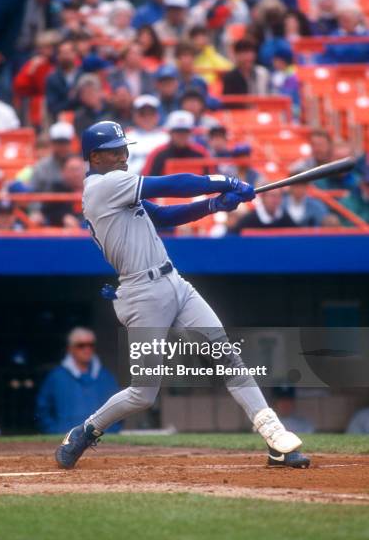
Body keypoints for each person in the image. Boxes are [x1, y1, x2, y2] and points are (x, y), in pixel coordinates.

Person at [55, 119, 309, 469]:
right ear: (95, 157)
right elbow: (172, 184)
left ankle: (276, 440)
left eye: (124, 150)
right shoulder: (102, 186)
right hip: (142, 294)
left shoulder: (119, 186)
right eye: (115, 151)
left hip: (174, 282)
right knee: (144, 393)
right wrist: (224, 181)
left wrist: (214, 206)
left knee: (226, 355)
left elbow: (163, 215)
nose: (123, 157)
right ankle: (87, 429)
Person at [37, 327, 121, 434]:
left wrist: (111, 431)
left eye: (91, 345)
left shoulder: (106, 376)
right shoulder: (56, 377)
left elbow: (119, 407)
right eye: (81, 345)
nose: (87, 349)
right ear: (70, 349)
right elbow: (42, 410)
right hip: (65, 441)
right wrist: (55, 432)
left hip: (102, 442)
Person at [143, 110, 210, 176]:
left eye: (185, 131)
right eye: (177, 131)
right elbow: (147, 179)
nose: (181, 135)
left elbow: (211, 177)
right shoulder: (157, 154)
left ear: (191, 132)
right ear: (170, 132)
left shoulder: (201, 153)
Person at [125, 95, 169, 174]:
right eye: (143, 114)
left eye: (151, 113)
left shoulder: (166, 137)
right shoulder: (127, 137)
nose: (147, 117)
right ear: (135, 116)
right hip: (135, 182)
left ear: (157, 116)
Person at [41, 155, 85, 228]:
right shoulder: (56, 190)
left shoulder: (94, 190)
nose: (76, 174)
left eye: (79, 170)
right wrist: (63, 217)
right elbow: (47, 212)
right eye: (72, 170)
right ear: (63, 172)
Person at [30, 122, 74, 192]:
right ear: (52, 144)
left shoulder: (79, 165)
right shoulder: (41, 166)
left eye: (65, 143)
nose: (62, 147)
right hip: (46, 202)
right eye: (58, 143)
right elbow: (33, 193)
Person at [229, 189, 297, 233]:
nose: (275, 200)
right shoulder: (249, 219)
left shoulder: (285, 218)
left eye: (278, 196)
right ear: (263, 197)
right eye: (272, 196)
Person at [45, 40, 82, 121]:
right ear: (58, 56)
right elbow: (52, 107)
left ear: (75, 54)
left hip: (84, 119)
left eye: (68, 53)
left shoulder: (83, 75)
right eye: (63, 53)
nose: (66, 56)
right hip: (60, 121)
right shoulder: (52, 79)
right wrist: (71, 99)